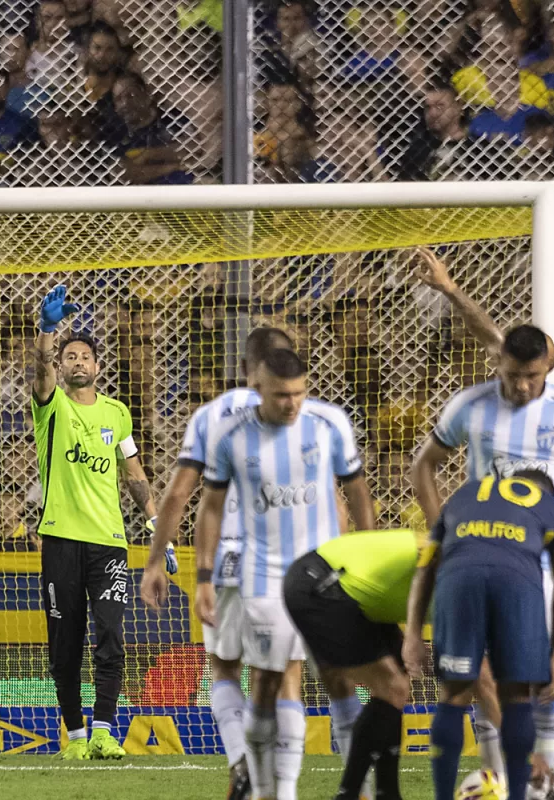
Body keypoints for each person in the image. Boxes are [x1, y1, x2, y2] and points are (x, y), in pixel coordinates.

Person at [410, 259, 554, 799]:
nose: (524, 386)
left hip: (542, 557)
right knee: (480, 668)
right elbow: (422, 467)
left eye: (534, 376)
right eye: (513, 375)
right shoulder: (472, 407)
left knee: (548, 670)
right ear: (496, 364)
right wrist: (447, 531)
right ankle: (507, 779)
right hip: (480, 557)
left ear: (547, 367)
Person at [197, 348, 376, 800]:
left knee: (237, 671)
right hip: (279, 569)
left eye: (298, 392)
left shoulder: (216, 421)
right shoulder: (274, 429)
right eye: (283, 393)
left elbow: (195, 498)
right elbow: (340, 500)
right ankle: (277, 785)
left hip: (249, 566)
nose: (292, 402)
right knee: (299, 678)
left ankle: (250, 767)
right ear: (258, 381)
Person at [141, 326, 296, 798]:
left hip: (227, 560)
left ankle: (240, 762)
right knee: (285, 676)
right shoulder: (302, 412)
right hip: (287, 562)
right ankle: (282, 789)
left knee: (224, 669)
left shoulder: (211, 416)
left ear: (245, 366)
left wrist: (154, 561)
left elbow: (180, 494)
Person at [31, 284, 159, 760]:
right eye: (70, 356)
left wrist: (154, 525)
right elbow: (40, 376)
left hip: (109, 543)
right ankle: (76, 736)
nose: (78, 361)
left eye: (86, 355)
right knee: (65, 645)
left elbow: (134, 473)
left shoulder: (117, 414)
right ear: (62, 367)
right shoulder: (51, 407)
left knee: (111, 637)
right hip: (61, 540)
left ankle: (105, 730)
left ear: (98, 366)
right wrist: (47, 331)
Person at [404, 472, 554, 800]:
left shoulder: (465, 495)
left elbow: (426, 565)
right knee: (516, 696)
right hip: (516, 581)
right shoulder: (552, 510)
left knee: (453, 694)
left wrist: (413, 633)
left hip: (458, 578)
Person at [284, 528, 418, 800]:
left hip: (360, 591)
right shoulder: (456, 569)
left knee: (397, 686)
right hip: (325, 585)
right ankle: (350, 794)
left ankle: (387, 793)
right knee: (392, 687)